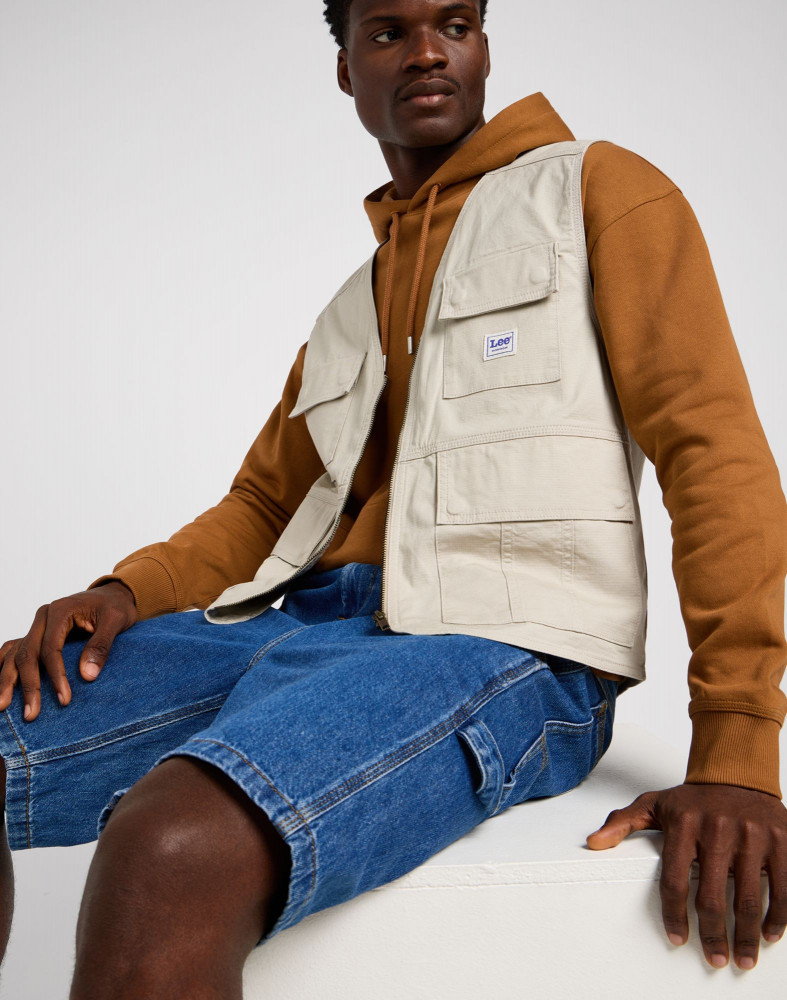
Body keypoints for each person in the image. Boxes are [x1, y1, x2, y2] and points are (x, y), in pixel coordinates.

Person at [1, 0, 786, 994]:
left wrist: (736, 749)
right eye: (387, 32)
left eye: (454, 24)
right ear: (346, 68)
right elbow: (263, 506)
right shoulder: (352, 304)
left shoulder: (596, 191)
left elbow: (712, 452)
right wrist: (124, 590)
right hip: (300, 625)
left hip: (500, 643)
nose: (426, 51)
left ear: (483, 48)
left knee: (171, 848)